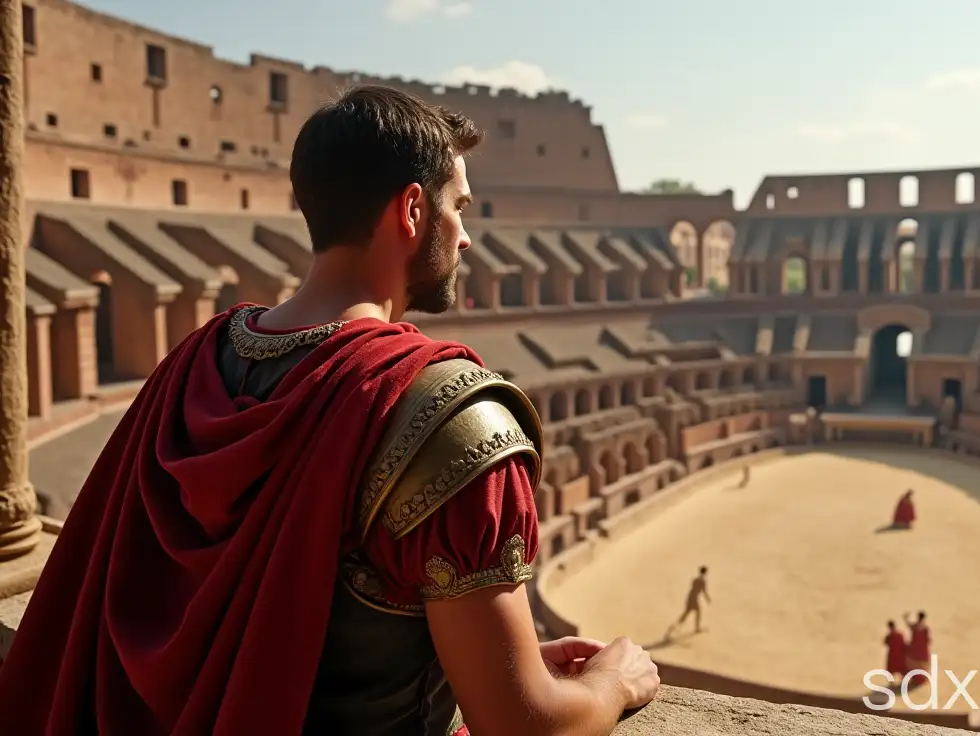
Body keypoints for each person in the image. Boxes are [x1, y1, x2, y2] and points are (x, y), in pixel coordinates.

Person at [0, 85, 658, 736]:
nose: (464, 237)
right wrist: (613, 682)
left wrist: (481, 662)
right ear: (411, 210)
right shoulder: (451, 416)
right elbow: (520, 724)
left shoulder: (189, 365)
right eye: (458, 208)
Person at [669, 566, 712, 635]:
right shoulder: (703, 581)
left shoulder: (695, 579)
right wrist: (708, 599)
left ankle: (675, 625)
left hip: (689, 597)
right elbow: (704, 591)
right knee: (697, 612)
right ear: (705, 573)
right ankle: (697, 628)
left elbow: (693, 588)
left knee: (687, 612)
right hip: (694, 598)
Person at [903, 611, 932, 688]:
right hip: (922, 648)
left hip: (915, 648)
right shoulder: (925, 628)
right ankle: (921, 679)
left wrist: (905, 618)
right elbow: (928, 639)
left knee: (913, 663)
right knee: (922, 663)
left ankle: (915, 679)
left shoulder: (915, 626)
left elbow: (909, 625)